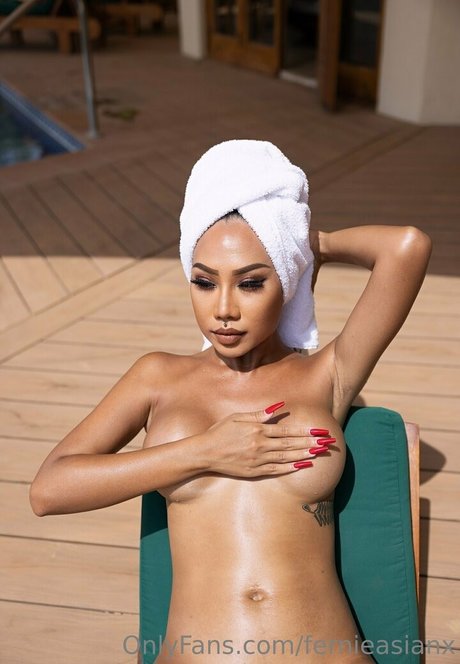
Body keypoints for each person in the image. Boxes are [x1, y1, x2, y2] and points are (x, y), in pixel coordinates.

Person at [29, 140, 431, 663]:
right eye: (203, 281)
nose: (223, 309)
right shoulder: (158, 377)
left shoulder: (324, 376)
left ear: (287, 280)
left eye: (251, 283)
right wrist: (205, 451)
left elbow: (407, 246)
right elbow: (49, 490)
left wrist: (305, 243)